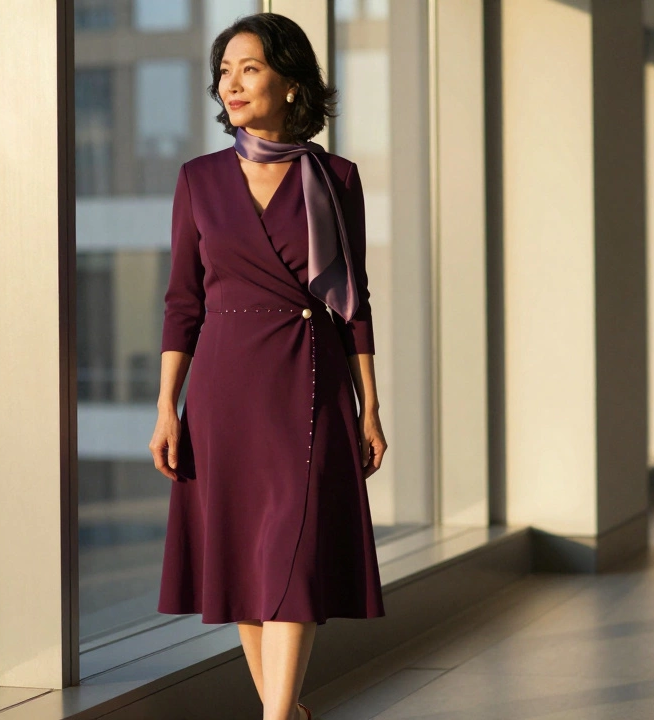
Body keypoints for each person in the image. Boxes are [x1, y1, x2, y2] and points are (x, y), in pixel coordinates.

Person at [149, 13, 388, 720]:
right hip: (221, 389)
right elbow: (181, 301)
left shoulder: (335, 177)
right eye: (224, 72)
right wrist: (167, 405)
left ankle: (276, 716)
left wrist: (369, 403)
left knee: (294, 548)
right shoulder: (198, 180)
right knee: (241, 564)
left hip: (306, 379)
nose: (233, 83)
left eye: (249, 68)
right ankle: (285, 713)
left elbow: (355, 298)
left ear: (289, 82)